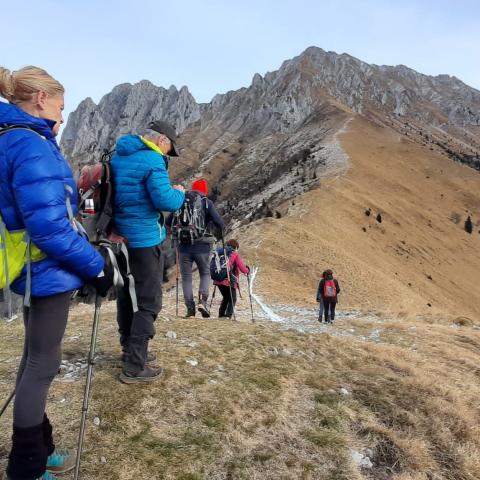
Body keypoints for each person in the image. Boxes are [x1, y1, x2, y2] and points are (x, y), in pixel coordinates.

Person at [0, 66, 110, 480]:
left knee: (34, 359)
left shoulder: (10, 138)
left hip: (30, 265)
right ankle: (26, 465)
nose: (62, 118)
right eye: (61, 108)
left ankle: (40, 449)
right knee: (42, 364)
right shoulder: (30, 145)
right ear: (41, 100)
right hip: (45, 268)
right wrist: (96, 266)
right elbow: (49, 226)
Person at [111, 120, 185, 384]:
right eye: (170, 149)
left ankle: (128, 349)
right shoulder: (153, 159)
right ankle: (135, 365)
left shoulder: (119, 155)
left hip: (119, 238)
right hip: (144, 240)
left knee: (125, 295)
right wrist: (179, 194)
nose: (168, 155)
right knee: (148, 301)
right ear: (162, 141)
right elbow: (164, 200)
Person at [167, 179, 224, 318]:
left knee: (186, 278)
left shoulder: (180, 200)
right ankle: (202, 301)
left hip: (183, 248)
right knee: (205, 273)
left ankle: (190, 309)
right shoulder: (206, 203)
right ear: (204, 191)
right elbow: (220, 223)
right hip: (202, 246)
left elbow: (168, 222)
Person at [213, 239, 249, 319]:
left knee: (226, 297)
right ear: (235, 247)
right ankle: (228, 316)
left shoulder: (220, 252)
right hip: (229, 280)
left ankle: (221, 315)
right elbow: (243, 269)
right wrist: (247, 270)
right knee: (233, 299)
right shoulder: (234, 254)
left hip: (218, 279)